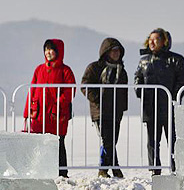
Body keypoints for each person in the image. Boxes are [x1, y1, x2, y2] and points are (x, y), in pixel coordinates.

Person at [134, 28, 184, 175]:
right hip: (150, 108)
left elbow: (182, 80)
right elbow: (137, 79)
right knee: (152, 142)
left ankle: (176, 168)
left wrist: (174, 97)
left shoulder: (176, 59)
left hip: (169, 107)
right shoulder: (144, 61)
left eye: (156, 39)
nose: (152, 42)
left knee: (173, 140)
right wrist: (141, 92)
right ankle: (154, 170)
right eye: (150, 39)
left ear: (164, 41)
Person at [23, 39, 76, 178]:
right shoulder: (39, 69)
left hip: (57, 115)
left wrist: (59, 103)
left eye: (51, 49)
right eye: (46, 49)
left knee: (58, 142)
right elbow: (32, 90)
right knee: (39, 143)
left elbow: (70, 90)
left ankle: (62, 173)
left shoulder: (65, 70)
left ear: (59, 51)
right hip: (39, 114)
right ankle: (41, 171)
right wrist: (27, 111)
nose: (48, 52)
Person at [81, 38, 128, 178]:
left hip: (116, 112)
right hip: (100, 111)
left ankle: (103, 170)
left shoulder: (121, 70)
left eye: (118, 50)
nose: (116, 53)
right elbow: (85, 85)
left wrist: (122, 107)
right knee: (106, 140)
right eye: (113, 50)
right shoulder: (94, 68)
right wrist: (97, 99)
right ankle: (115, 168)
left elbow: (124, 91)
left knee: (112, 141)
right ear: (106, 52)